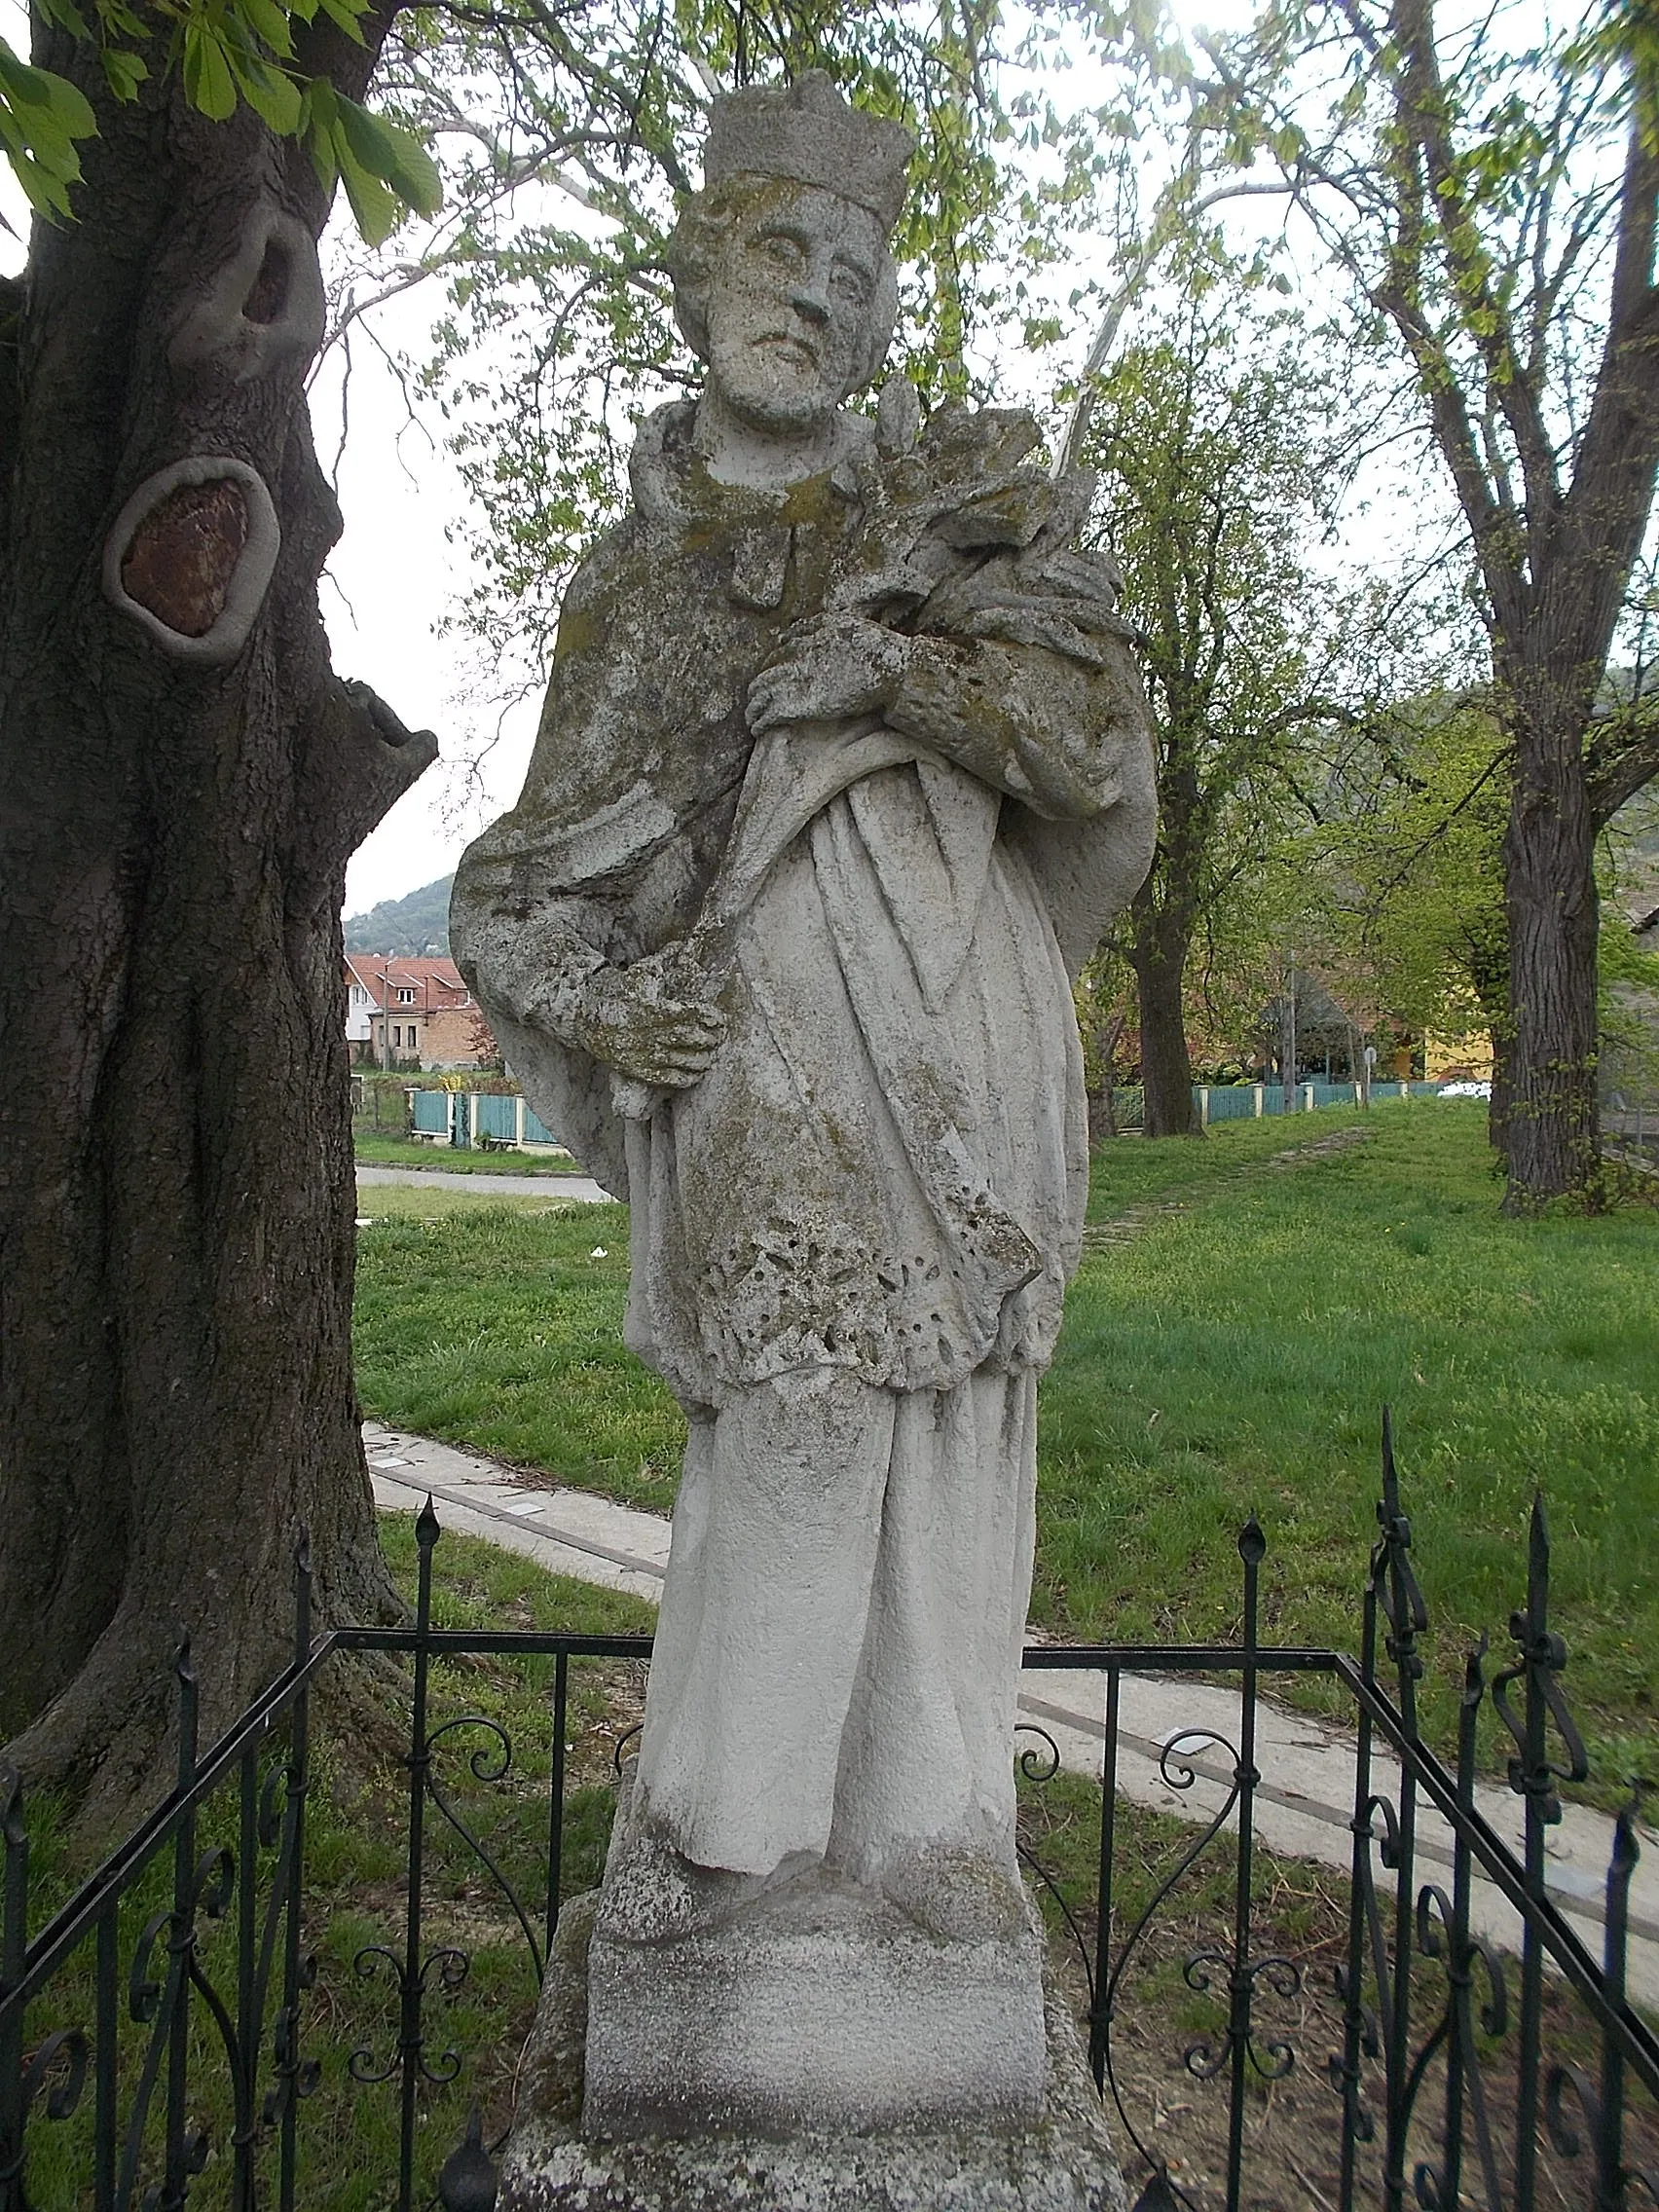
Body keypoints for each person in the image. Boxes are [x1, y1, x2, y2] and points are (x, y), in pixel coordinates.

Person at [451, 72, 1156, 1947]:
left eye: (856, 274)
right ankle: (728, 1828)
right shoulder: (644, 575)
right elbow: (516, 892)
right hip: (768, 1049)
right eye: (784, 256)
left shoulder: (951, 507)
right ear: (699, 275)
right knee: (803, 1406)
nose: (819, 303)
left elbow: (1092, 742)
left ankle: (932, 1828)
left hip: (964, 1018)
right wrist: (606, 1009)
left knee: (954, 1435)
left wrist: (895, 672)